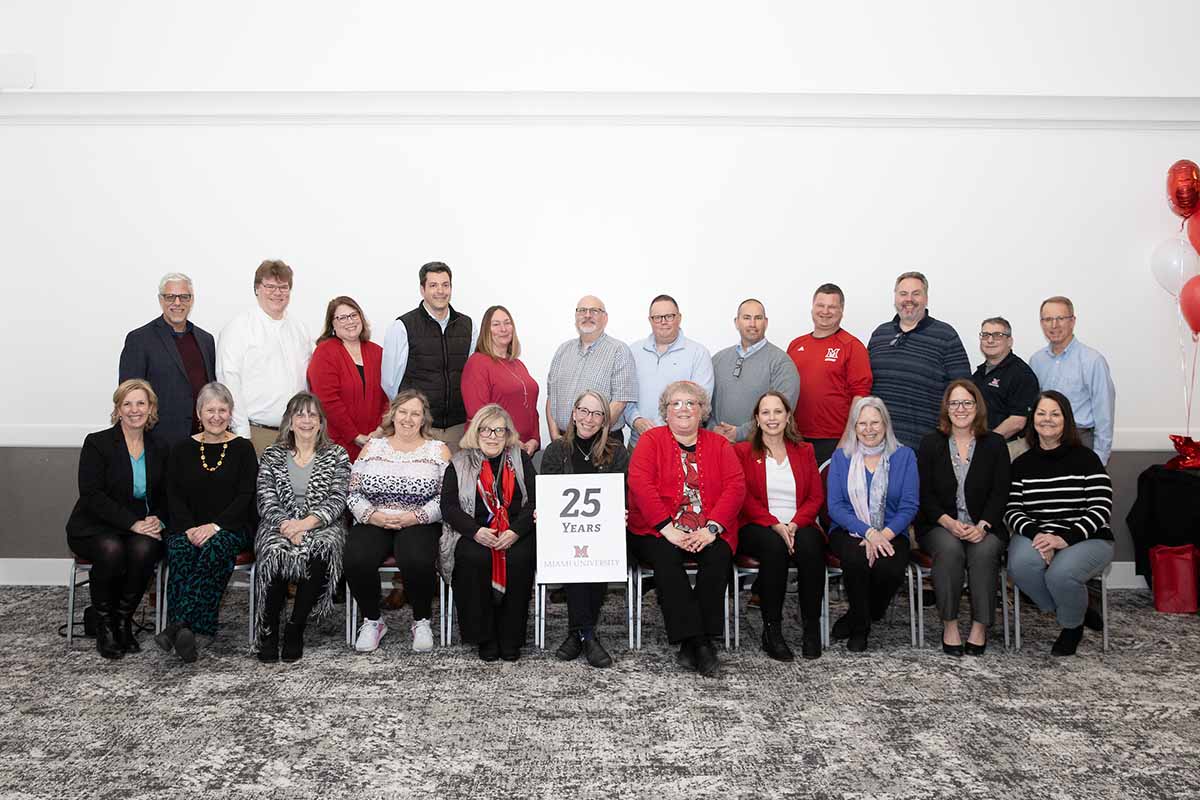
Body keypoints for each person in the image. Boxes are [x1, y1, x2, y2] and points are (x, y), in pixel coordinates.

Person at [628, 381, 746, 677]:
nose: (683, 409)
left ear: (702, 411)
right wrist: (668, 529)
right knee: (666, 559)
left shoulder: (719, 444)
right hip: (657, 529)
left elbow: (735, 486)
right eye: (676, 403)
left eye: (691, 403)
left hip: (708, 528)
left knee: (718, 557)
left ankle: (691, 643)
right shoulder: (650, 441)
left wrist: (712, 528)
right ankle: (701, 643)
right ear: (665, 412)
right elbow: (640, 484)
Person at [1004, 390, 1114, 656]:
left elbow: (1101, 507)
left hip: (1087, 537)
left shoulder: (1087, 459)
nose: (1047, 419)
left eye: (1055, 414)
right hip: (1037, 533)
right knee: (1021, 566)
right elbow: (1012, 509)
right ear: (1033, 420)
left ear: (1066, 420)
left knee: (1060, 575)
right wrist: (1039, 535)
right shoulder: (1022, 463)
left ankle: (1071, 626)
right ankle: (1075, 607)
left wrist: (1064, 538)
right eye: (1041, 413)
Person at [66, 379, 168, 659]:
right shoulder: (97, 443)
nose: (134, 410)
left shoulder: (160, 447)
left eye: (141, 403)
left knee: (145, 548)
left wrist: (157, 519)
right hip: (94, 524)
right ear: (118, 410)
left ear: (151, 409)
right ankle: (105, 625)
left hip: (137, 525)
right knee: (112, 550)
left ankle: (124, 619)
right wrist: (133, 524)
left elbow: (166, 494)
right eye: (127, 404)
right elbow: (91, 494)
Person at [157, 382, 259, 663]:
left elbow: (246, 496)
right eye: (210, 409)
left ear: (231, 413)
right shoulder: (181, 449)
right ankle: (192, 630)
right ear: (198, 413)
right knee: (179, 549)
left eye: (222, 410)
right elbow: (173, 495)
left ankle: (179, 624)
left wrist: (214, 527)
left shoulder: (242, 448)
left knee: (216, 548)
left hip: (232, 527)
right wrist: (190, 528)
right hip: (187, 527)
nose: (216, 416)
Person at [345, 390, 451, 653]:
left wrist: (415, 517)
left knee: (416, 559)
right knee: (356, 558)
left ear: (424, 418)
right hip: (374, 517)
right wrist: (374, 516)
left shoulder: (438, 450)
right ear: (393, 415)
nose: (408, 418)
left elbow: (446, 498)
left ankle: (421, 620)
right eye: (403, 412)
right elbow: (353, 492)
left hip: (419, 520)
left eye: (415, 413)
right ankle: (373, 620)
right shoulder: (372, 447)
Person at [253, 393, 351, 663]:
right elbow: (265, 497)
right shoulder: (272, 455)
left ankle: (296, 627)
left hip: (322, 523)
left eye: (312, 415)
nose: (306, 420)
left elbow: (338, 498)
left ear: (321, 423)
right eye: (300, 415)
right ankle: (269, 630)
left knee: (321, 553)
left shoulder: (337, 455)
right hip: (278, 524)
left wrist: (305, 525)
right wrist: (287, 525)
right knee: (274, 554)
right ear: (290, 422)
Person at [916, 380, 1010, 657]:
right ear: (946, 408)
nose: (960, 409)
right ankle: (950, 624)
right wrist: (947, 522)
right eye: (954, 403)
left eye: (967, 403)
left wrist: (983, 525)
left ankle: (980, 627)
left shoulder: (994, 443)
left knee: (984, 551)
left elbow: (1000, 491)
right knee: (949, 549)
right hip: (939, 524)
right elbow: (924, 493)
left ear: (977, 407)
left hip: (985, 525)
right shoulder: (931, 443)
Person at [539, 390, 629, 668]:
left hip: (604, 532)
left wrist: (621, 512)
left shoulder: (616, 451)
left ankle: (576, 633)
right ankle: (587, 634)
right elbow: (550, 497)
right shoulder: (556, 450)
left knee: (595, 553)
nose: (590, 419)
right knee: (576, 555)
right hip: (565, 532)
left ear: (605, 421)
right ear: (574, 414)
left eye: (597, 413)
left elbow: (622, 493)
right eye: (584, 411)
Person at [440, 404, 537, 661]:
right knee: (474, 558)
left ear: (507, 434)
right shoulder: (459, 462)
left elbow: (536, 501)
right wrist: (475, 531)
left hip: (515, 531)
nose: (492, 436)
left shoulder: (520, 458)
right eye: (486, 430)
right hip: (474, 531)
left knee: (519, 558)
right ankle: (484, 636)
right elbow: (448, 507)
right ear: (476, 431)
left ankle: (511, 636)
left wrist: (516, 531)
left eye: (499, 431)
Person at [733, 391, 824, 661]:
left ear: (787, 416)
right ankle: (772, 630)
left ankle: (811, 627)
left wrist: (794, 524)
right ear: (757, 420)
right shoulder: (742, 452)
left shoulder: (805, 450)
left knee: (811, 545)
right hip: (757, 525)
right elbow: (743, 496)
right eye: (765, 412)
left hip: (799, 523)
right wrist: (774, 524)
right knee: (774, 547)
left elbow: (815, 497)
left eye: (777, 411)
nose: (772, 417)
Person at [825, 396, 918, 652]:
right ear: (854, 427)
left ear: (885, 424)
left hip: (892, 530)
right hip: (848, 529)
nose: (869, 429)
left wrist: (882, 535)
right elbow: (835, 507)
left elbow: (909, 506)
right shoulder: (842, 457)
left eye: (875, 423)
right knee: (856, 560)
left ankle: (859, 614)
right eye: (862, 423)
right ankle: (860, 629)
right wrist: (868, 532)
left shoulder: (904, 456)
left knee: (889, 569)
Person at [216, 260, 313, 456]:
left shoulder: (299, 329)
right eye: (270, 286)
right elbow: (229, 380)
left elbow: (309, 382)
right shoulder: (238, 328)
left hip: (297, 435)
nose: (277, 292)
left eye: (283, 287)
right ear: (257, 289)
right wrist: (243, 436)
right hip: (256, 433)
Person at [867, 272, 970, 450]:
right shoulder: (879, 335)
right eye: (903, 294)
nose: (909, 299)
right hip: (878, 444)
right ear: (895, 297)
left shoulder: (946, 336)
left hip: (925, 446)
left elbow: (963, 390)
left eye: (916, 293)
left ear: (926, 298)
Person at [381, 261, 476, 453]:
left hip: (457, 429)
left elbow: (471, 376)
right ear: (422, 289)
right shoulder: (402, 326)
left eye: (445, 285)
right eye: (433, 285)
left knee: (454, 482)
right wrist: (411, 416)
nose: (440, 291)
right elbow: (390, 383)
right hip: (420, 428)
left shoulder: (468, 325)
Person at [119, 272, 217, 446]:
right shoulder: (140, 340)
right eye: (170, 296)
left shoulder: (205, 340)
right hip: (157, 443)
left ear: (191, 300)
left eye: (184, 297)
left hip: (200, 440)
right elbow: (129, 395)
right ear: (160, 300)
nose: (177, 303)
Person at [787, 283, 873, 466]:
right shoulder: (795, 345)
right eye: (820, 305)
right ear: (812, 308)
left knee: (829, 494)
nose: (825, 311)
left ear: (841, 310)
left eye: (832, 306)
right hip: (796, 438)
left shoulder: (852, 346)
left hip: (834, 440)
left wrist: (847, 440)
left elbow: (860, 397)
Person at [1029, 296, 1116, 465]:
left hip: (1080, 439)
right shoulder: (1036, 361)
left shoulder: (1092, 360)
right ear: (1041, 323)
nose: (1054, 325)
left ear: (1072, 321)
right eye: (1048, 319)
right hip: (1044, 441)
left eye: (1060, 318)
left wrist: (1100, 459)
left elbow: (1104, 412)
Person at [624, 295, 714, 448]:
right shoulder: (633, 352)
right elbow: (624, 394)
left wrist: (661, 429)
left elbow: (701, 401)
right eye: (657, 317)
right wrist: (636, 421)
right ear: (650, 320)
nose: (663, 321)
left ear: (679, 318)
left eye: (669, 316)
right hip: (639, 444)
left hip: (681, 447)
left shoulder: (698, 353)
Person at [544, 295, 638, 442]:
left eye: (594, 311)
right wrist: (555, 436)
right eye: (582, 310)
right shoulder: (563, 350)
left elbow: (619, 402)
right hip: (562, 441)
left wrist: (588, 437)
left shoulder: (619, 351)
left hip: (602, 442)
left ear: (605, 318)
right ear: (576, 316)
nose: (587, 315)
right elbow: (552, 397)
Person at [307, 295, 389, 463]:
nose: (349, 321)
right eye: (342, 318)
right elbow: (327, 401)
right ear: (333, 324)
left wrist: (381, 430)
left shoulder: (378, 352)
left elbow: (389, 395)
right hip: (336, 445)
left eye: (353, 315)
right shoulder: (325, 353)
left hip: (376, 444)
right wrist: (355, 436)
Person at [710, 299, 800, 444]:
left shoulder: (781, 363)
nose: (752, 324)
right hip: (720, 447)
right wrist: (713, 428)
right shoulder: (718, 360)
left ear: (766, 322)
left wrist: (739, 433)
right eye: (746, 318)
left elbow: (782, 410)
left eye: (758, 318)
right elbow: (704, 401)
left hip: (760, 448)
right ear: (736, 322)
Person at [462, 305, 541, 456]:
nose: (503, 329)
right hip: (492, 451)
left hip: (523, 451)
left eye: (507, 323)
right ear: (486, 330)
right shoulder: (477, 363)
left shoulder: (518, 364)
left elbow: (532, 409)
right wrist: (508, 440)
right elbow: (478, 414)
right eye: (496, 324)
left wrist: (534, 439)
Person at [971, 316, 1040, 459]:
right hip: (983, 445)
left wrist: (987, 443)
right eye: (985, 335)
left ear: (1010, 341)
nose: (990, 340)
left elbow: (1018, 422)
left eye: (997, 335)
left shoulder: (1021, 374)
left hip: (1010, 448)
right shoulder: (979, 373)